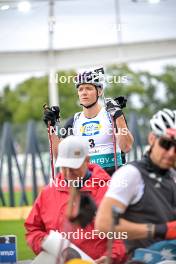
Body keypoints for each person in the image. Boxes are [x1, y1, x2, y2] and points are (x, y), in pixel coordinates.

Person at [24, 135, 127, 263]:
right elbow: (32, 229)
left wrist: (112, 256)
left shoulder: (110, 191)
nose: (67, 173)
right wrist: (44, 243)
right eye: (63, 167)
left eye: (73, 167)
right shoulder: (47, 193)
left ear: (87, 160)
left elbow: (123, 232)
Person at [95, 109, 176, 260]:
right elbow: (103, 224)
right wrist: (160, 230)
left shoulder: (172, 175)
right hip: (145, 258)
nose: (171, 152)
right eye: (166, 143)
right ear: (152, 139)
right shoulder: (131, 174)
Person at [43, 68, 134, 175]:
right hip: (87, 179)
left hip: (112, 177)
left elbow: (126, 147)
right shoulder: (74, 121)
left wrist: (119, 115)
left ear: (99, 91)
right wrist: (51, 128)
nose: (84, 93)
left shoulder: (112, 115)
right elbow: (60, 156)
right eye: (80, 89)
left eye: (88, 88)